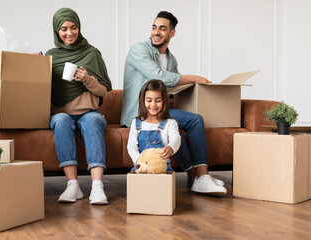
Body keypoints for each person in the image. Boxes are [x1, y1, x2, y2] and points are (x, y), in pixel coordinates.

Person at [121, 11, 227, 195]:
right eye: (154, 27)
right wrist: (194, 78)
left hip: (160, 111)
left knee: (175, 125)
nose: (156, 32)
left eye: (162, 28)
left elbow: (170, 88)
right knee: (195, 120)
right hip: (139, 113)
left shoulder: (171, 60)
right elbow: (158, 77)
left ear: (172, 33)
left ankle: (199, 178)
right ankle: (201, 175)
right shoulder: (138, 50)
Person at [45, 8, 112, 204]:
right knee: (60, 120)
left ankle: (97, 186)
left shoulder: (92, 54)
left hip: (89, 112)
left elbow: (104, 92)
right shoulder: (51, 56)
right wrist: (36, 64)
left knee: (92, 121)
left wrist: (88, 79)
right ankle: (72, 185)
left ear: (79, 28)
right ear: (57, 31)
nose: (69, 33)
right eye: (64, 28)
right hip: (61, 114)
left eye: (73, 27)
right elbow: (41, 88)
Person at [127, 80, 181, 172]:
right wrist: (139, 161)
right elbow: (131, 146)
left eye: (158, 100)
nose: (153, 104)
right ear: (142, 100)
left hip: (162, 169)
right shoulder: (136, 123)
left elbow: (176, 139)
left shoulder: (170, 123)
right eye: (149, 100)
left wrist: (170, 147)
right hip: (141, 167)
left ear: (164, 101)